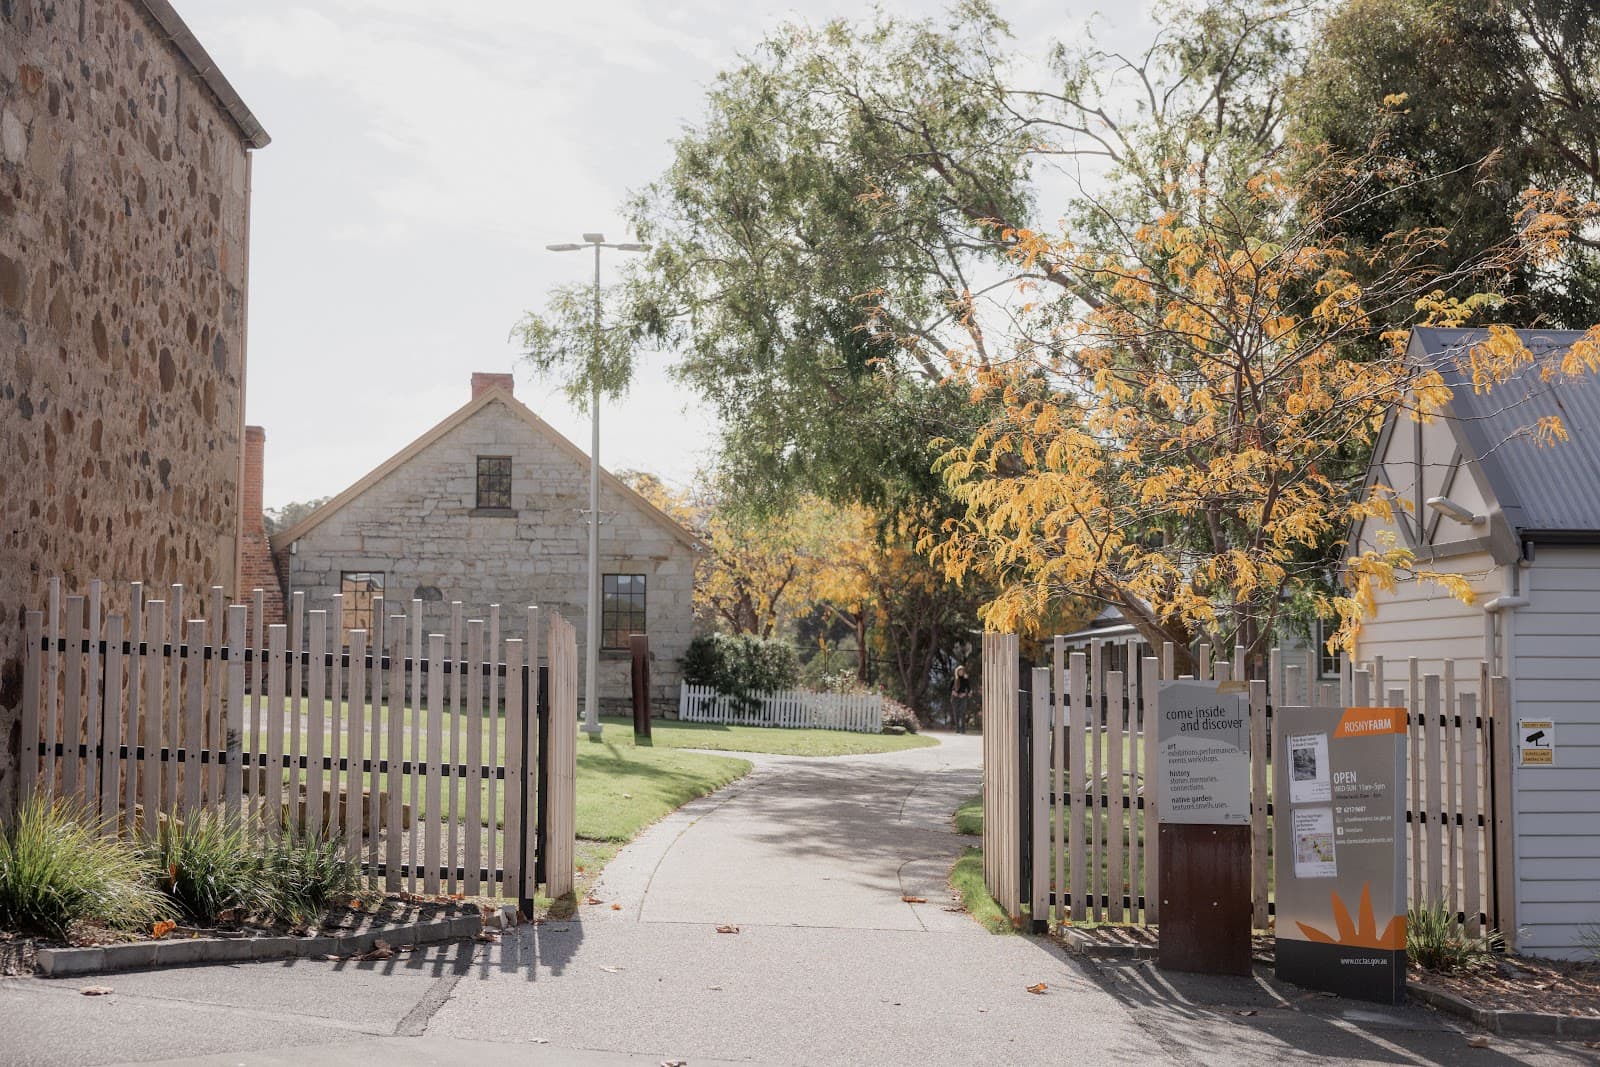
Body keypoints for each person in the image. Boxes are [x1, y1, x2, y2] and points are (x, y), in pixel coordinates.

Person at [951, 665, 973, 733]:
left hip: (963, 698)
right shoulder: (954, 679)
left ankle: (963, 729)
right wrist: (953, 692)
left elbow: (969, 689)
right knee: (956, 713)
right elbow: (949, 688)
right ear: (957, 672)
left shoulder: (966, 679)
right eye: (959, 671)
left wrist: (965, 694)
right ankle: (957, 729)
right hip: (955, 698)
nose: (961, 672)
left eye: (962, 671)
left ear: (963, 672)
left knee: (963, 712)